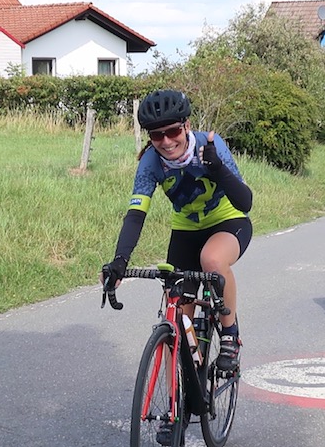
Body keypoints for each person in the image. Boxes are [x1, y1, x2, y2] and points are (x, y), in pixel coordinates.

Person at [102, 88, 253, 374]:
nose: (166, 141)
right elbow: (136, 215)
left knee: (212, 260)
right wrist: (120, 260)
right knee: (177, 318)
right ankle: (184, 395)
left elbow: (245, 202)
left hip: (228, 221)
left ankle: (230, 334)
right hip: (185, 232)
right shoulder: (151, 161)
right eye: (157, 135)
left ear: (186, 126)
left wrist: (217, 168)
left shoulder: (211, 145)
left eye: (172, 131)